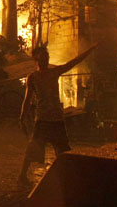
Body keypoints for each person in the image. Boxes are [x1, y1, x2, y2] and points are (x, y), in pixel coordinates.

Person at [17, 42, 98, 187]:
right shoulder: (33, 77)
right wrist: (22, 116)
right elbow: (27, 99)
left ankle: (66, 177)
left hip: (56, 119)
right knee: (33, 149)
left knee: (64, 150)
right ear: (37, 60)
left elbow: (74, 61)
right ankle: (22, 176)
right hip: (42, 119)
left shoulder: (54, 72)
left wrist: (90, 49)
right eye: (42, 58)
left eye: (47, 57)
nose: (45, 60)